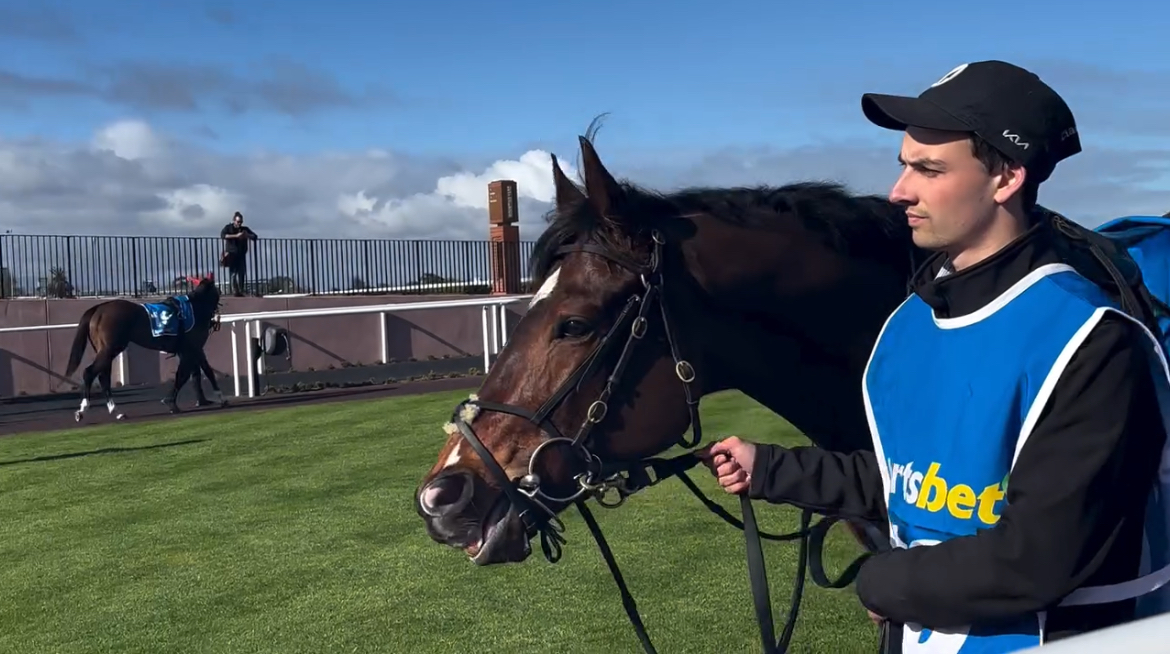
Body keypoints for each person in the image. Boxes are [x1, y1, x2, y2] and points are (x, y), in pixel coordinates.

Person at [700, 60, 1170, 652]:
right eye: (904, 166)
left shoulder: (1092, 338)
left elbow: (1040, 555)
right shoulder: (909, 323)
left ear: (1006, 180)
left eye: (929, 169)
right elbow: (919, 480)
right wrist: (771, 468)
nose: (899, 192)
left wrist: (886, 581)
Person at [220, 211, 258, 297]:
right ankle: (235, 290)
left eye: (241, 222)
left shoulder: (244, 229)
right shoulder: (228, 228)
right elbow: (223, 235)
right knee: (233, 273)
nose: (239, 224)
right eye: (238, 222)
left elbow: (255, 237)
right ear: (234, 221)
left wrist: (246, 235)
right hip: (231, 253)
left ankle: (241, 290)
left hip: (241, 254)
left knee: (242, 273)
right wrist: (236, 236)